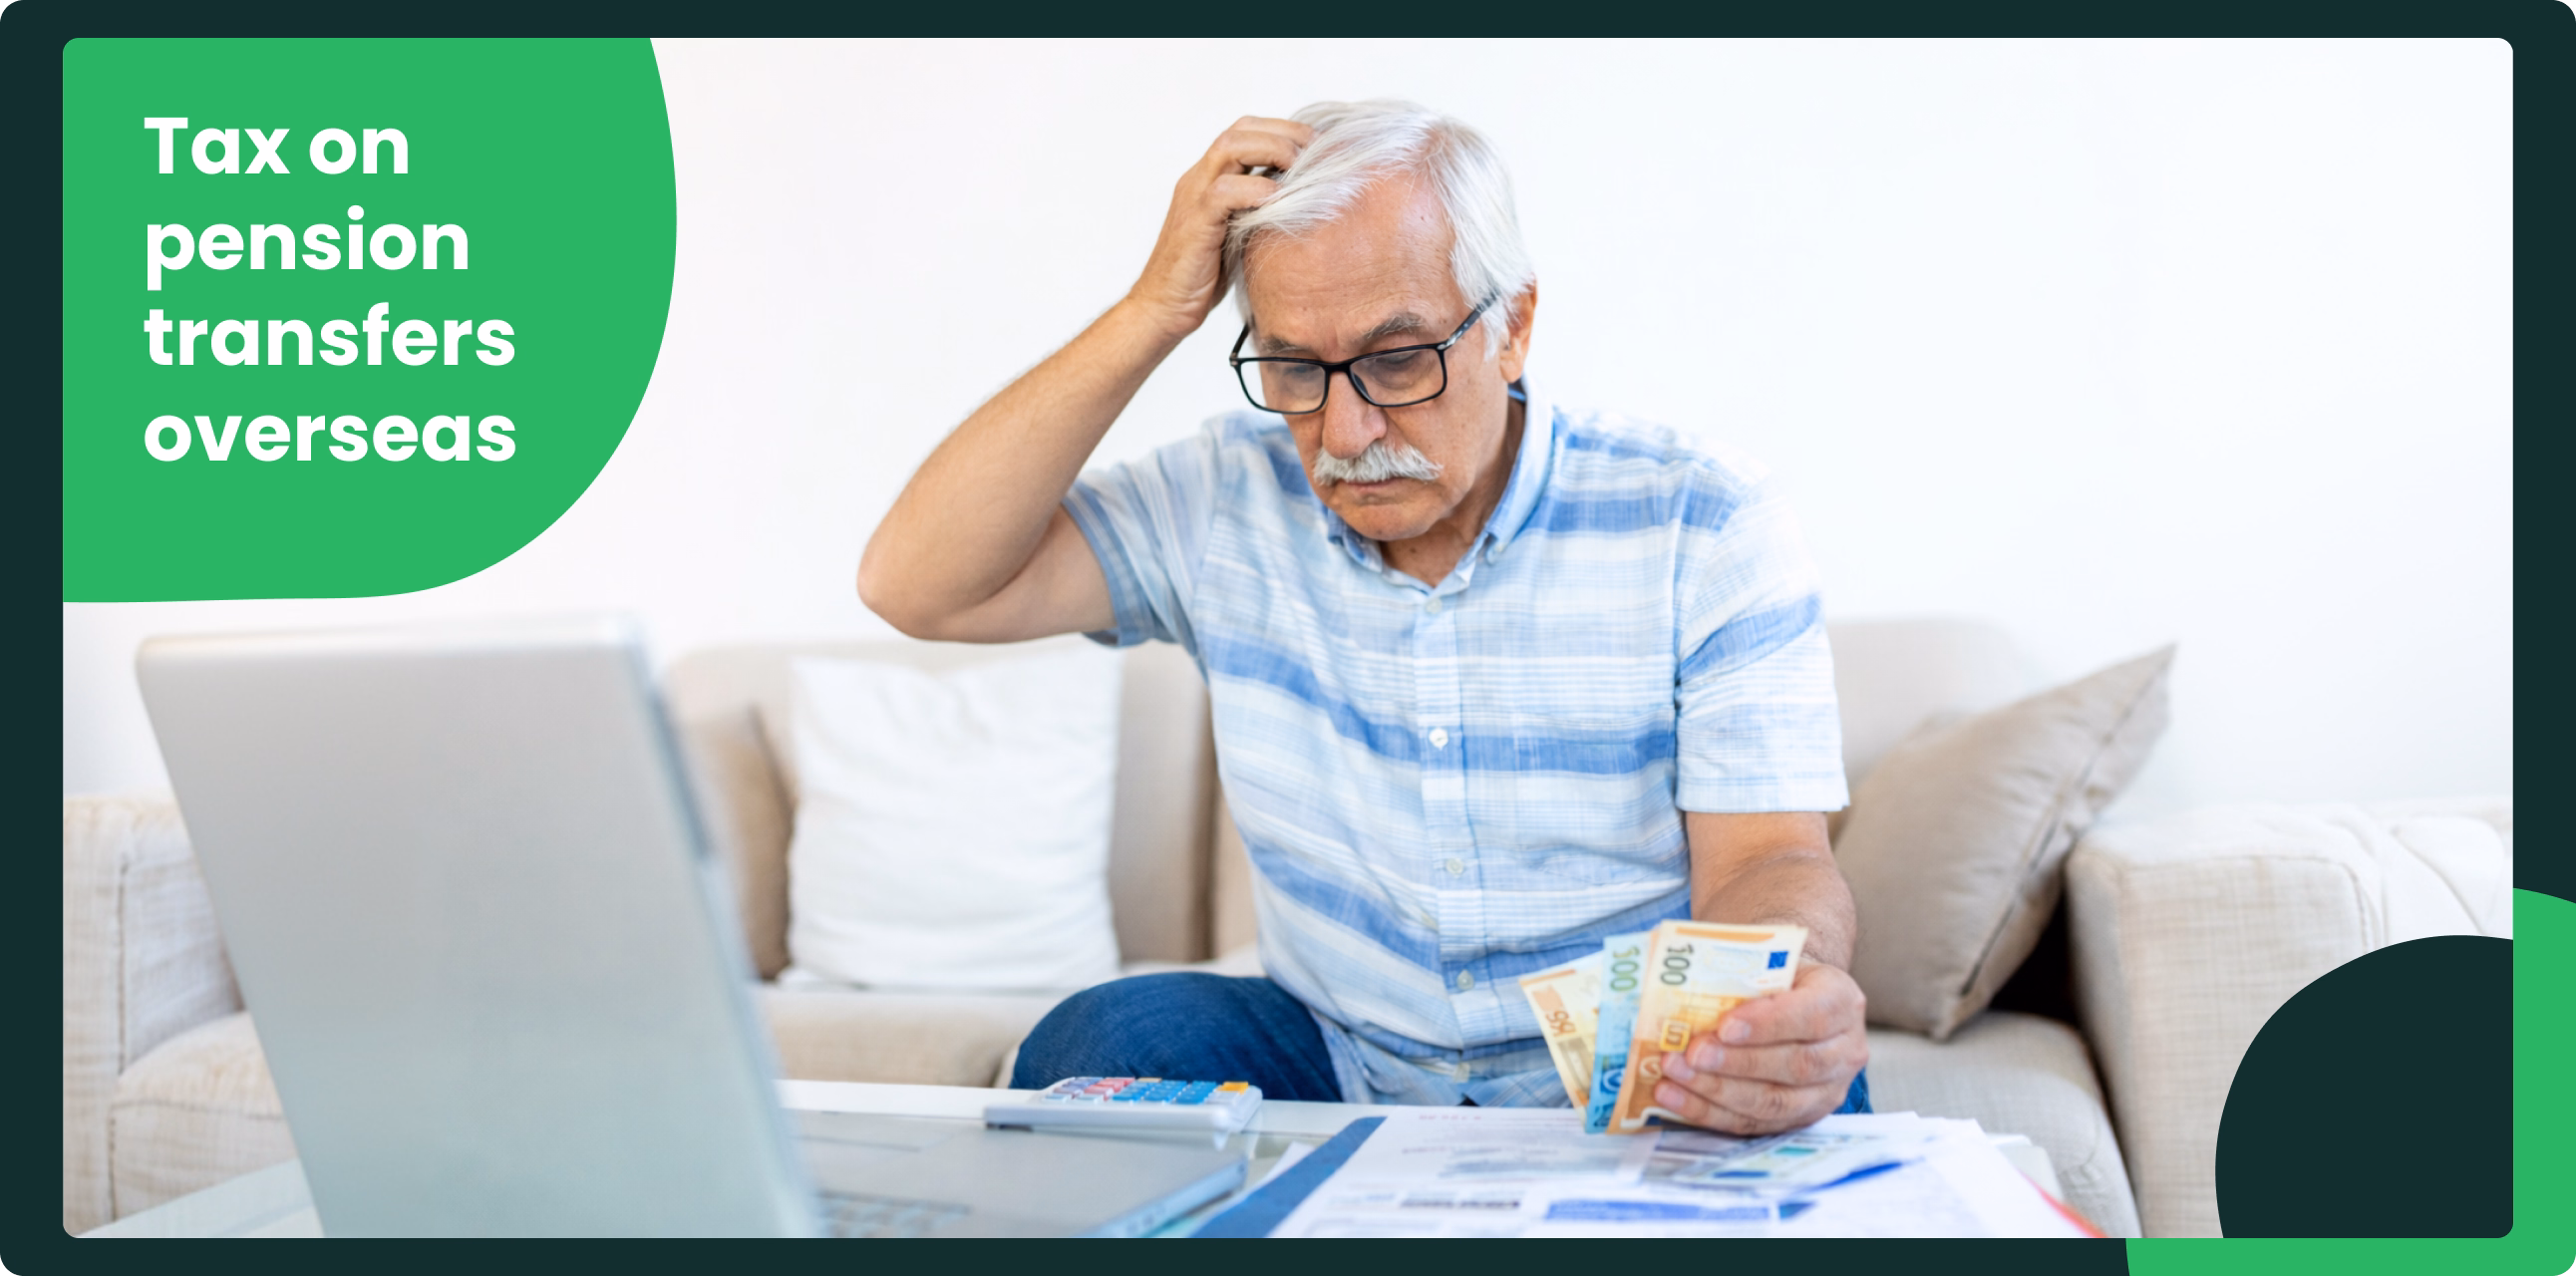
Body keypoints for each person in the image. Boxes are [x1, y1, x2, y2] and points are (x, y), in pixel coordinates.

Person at [858, 101, 1866, 1133]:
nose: (1345, 431)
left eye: (1397, 360)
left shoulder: (1701, 517)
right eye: (1295, 368)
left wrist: (1770, 1003)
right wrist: (1153, 309)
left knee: (1791, 1071)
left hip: (1627, 1059)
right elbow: (917, 584)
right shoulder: (1224, 499)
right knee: (1105, 1040)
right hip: (1339, 1055)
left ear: (1513, 326)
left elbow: (1767, 861)